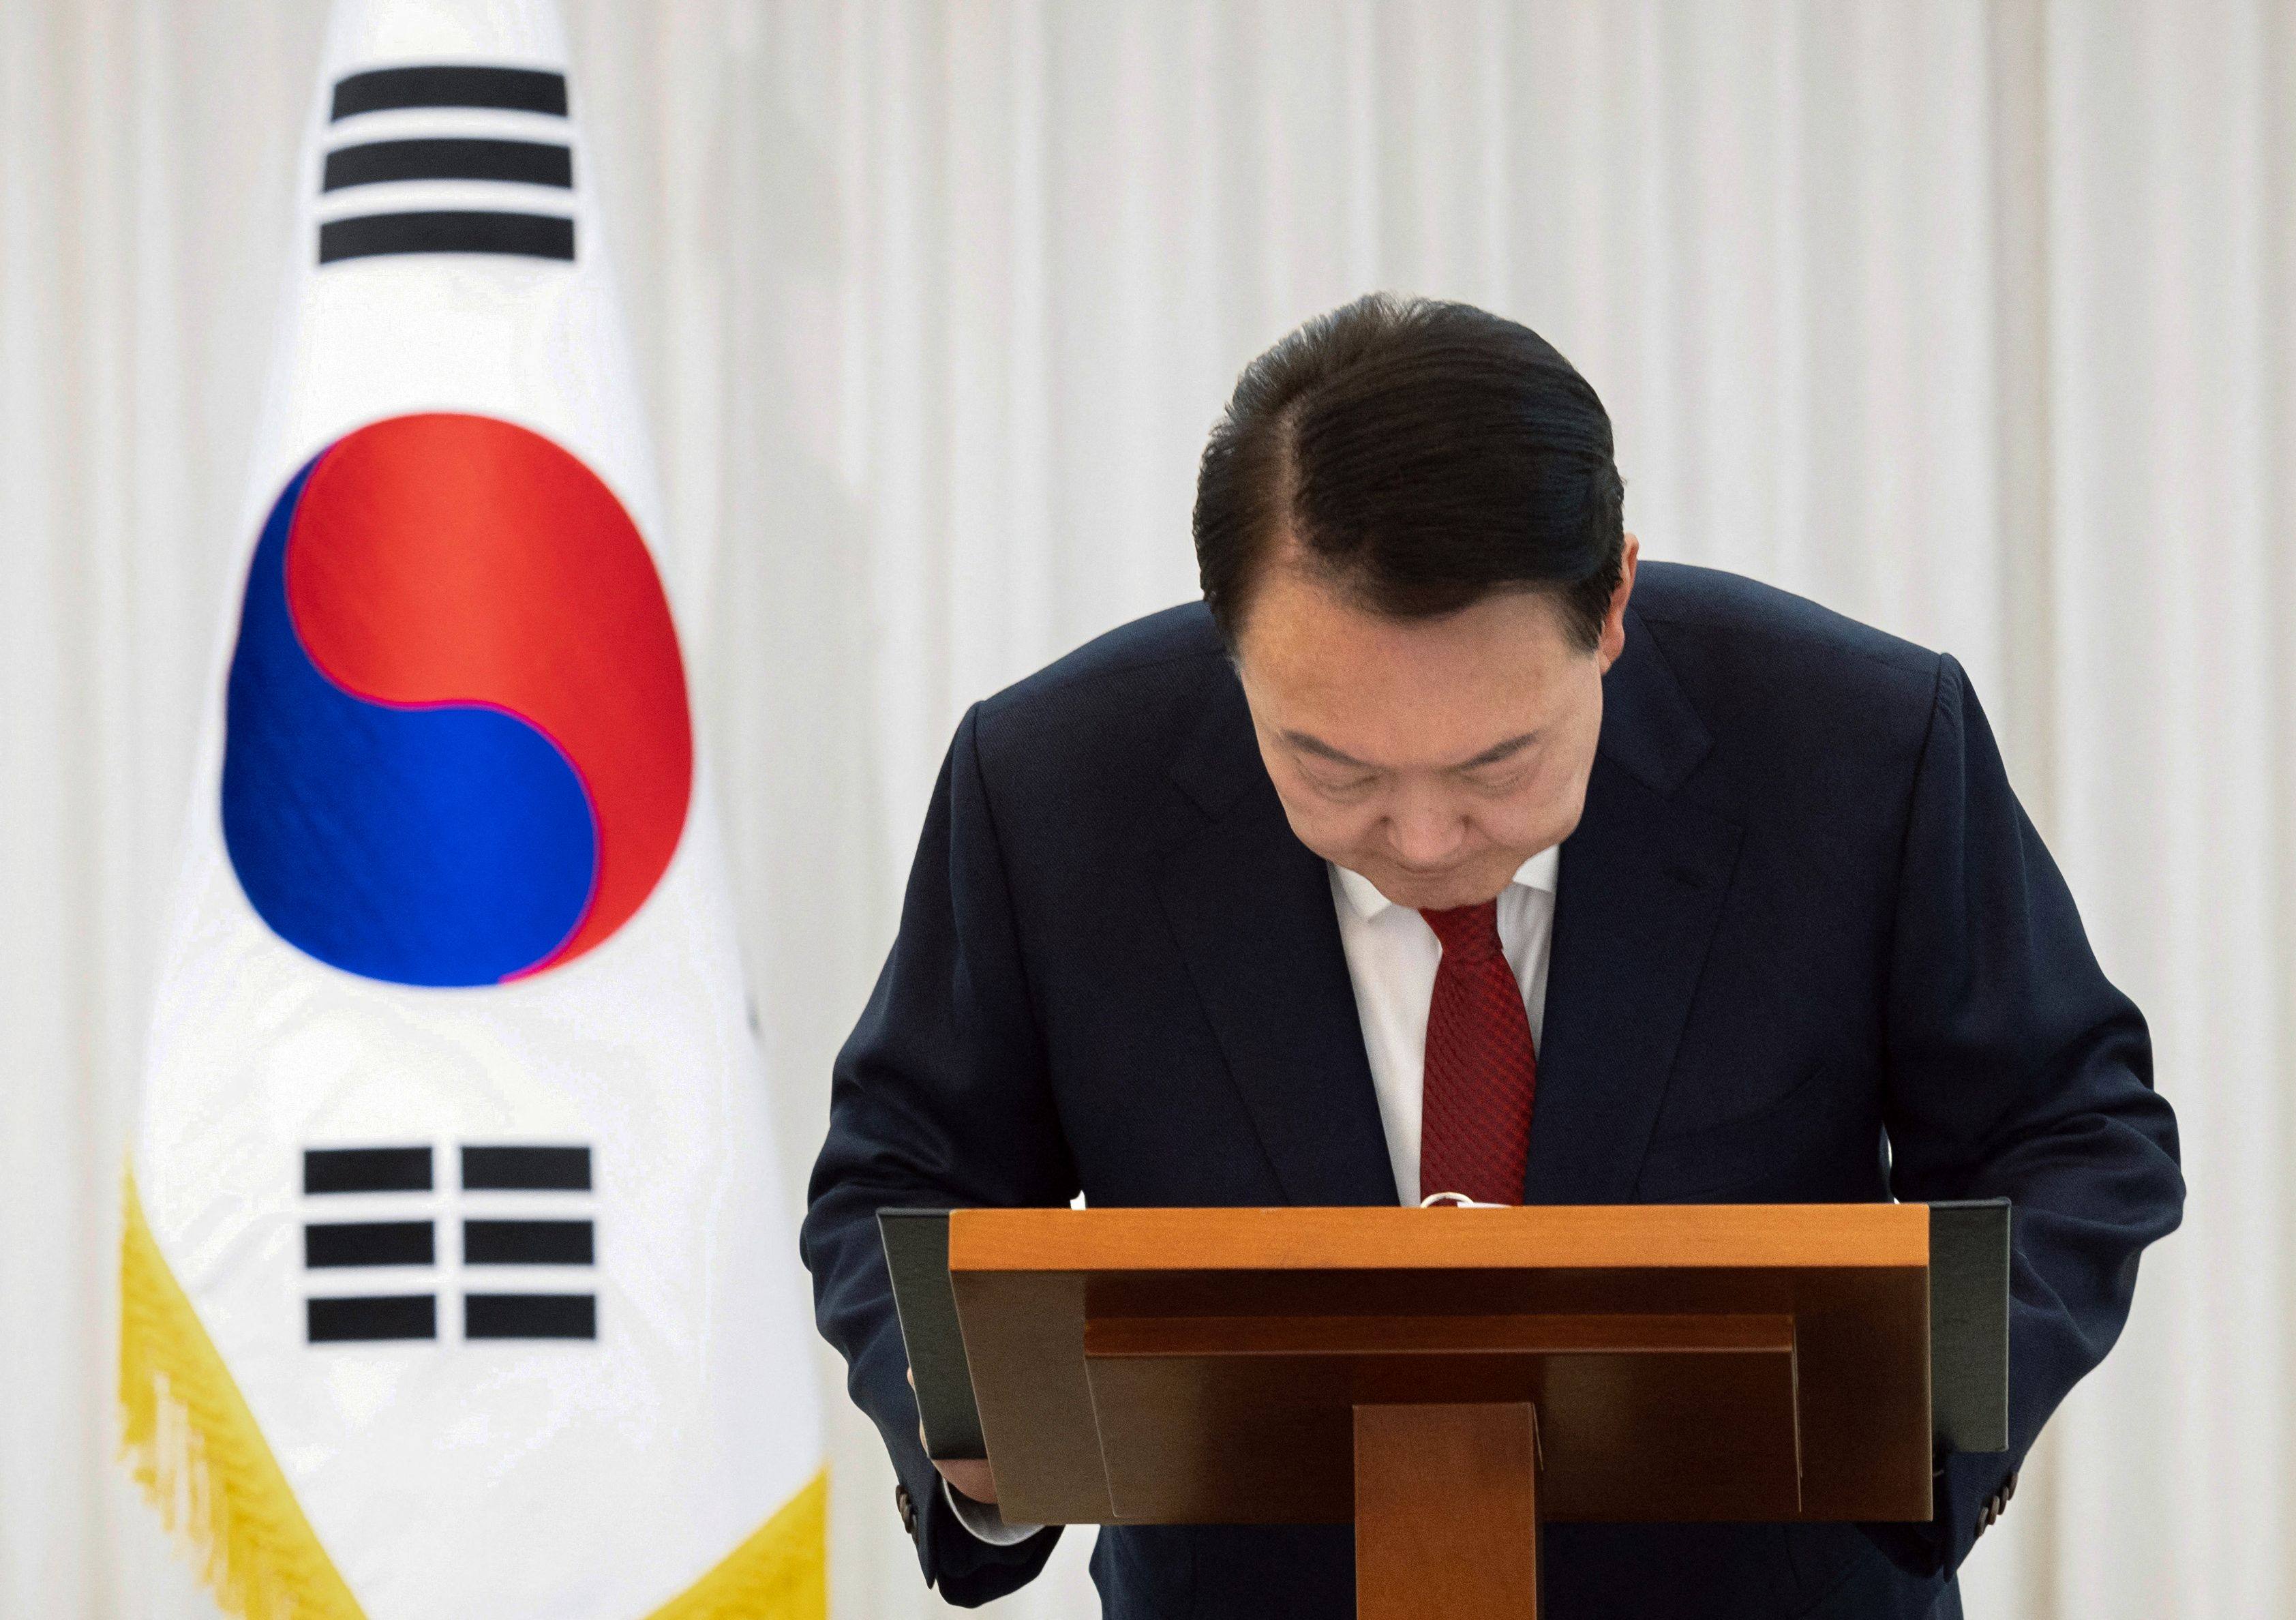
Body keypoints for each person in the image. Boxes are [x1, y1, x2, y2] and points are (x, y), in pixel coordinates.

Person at [803, 294, 2184, 1619]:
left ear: (1616, 605)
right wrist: (977, 1438)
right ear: (1231, 643)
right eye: (1327, 764)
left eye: (1499, 763)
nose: (1419, 834)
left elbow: (2070, 1134)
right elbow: (904, 1170)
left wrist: (1917, 1421)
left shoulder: (1859, 746)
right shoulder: (1052, 784)